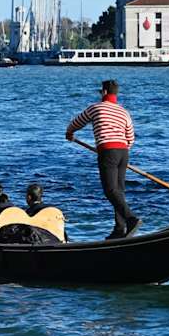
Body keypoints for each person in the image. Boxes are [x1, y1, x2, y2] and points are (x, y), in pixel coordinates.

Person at [65, 79, 141, 240]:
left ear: (104, 92)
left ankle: (131, 218)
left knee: (110, 190)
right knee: (119, 191)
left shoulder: (96, 108)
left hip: (108, 151)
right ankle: (119, 229)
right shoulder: (124, 112)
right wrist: (121, 147)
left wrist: (69, 133)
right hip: (123, 152)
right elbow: (131, 138)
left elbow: (77, 122)